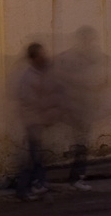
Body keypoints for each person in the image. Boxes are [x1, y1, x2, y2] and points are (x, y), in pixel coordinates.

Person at [55, 27, 108, 191]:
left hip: (83, 108)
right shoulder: (72, 58)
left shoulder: (94, 57)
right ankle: (76, 178)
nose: (89, 41)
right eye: (87, 38)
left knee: (81, 145)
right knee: (81, 145)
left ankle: (76, 177)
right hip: (75, 109)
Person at [15, 43, 61, 202]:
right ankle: (26, 188)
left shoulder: (41, 73)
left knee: (35, 156)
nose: (44, 57)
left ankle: (35, 185)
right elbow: (32, 101)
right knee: (33, 157)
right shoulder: (30, 77)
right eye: (41, 54)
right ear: (33, 58)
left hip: (39, 121)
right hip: (33, 121)